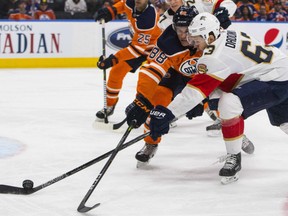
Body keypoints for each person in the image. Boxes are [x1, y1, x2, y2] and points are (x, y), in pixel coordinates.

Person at [148, 12, 288, 184]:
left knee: (229, 102)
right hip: (278, 71)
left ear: (210, 35)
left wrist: (168, 114)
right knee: (284, 122)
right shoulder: (229, 34)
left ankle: (234, 157)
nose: (194, 44)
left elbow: (195, 90)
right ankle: (234, 134)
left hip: (275, 80)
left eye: (197, 39)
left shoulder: (215, 56)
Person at [125, 1, 251, 166]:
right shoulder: (167, 42)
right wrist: (142, 99)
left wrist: (223, 14)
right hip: (176, 72)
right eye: (179, 30)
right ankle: (150, 142)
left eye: (187, 31)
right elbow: (151, 70)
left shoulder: (207, 35)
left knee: (222, 102)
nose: (183, 35)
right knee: (158, 99)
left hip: (203, 73)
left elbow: (227, 6)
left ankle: (238, 135)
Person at [95, 0, 162, 120]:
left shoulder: (149, 17)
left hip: (156, 49)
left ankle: (157, 110)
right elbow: (123, 5)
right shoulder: (131, 3)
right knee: (116, 71)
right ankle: (109, 105)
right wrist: (111, 11)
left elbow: (136, 50)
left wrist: (113, 59)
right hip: (139, 46)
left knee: (152, 79)